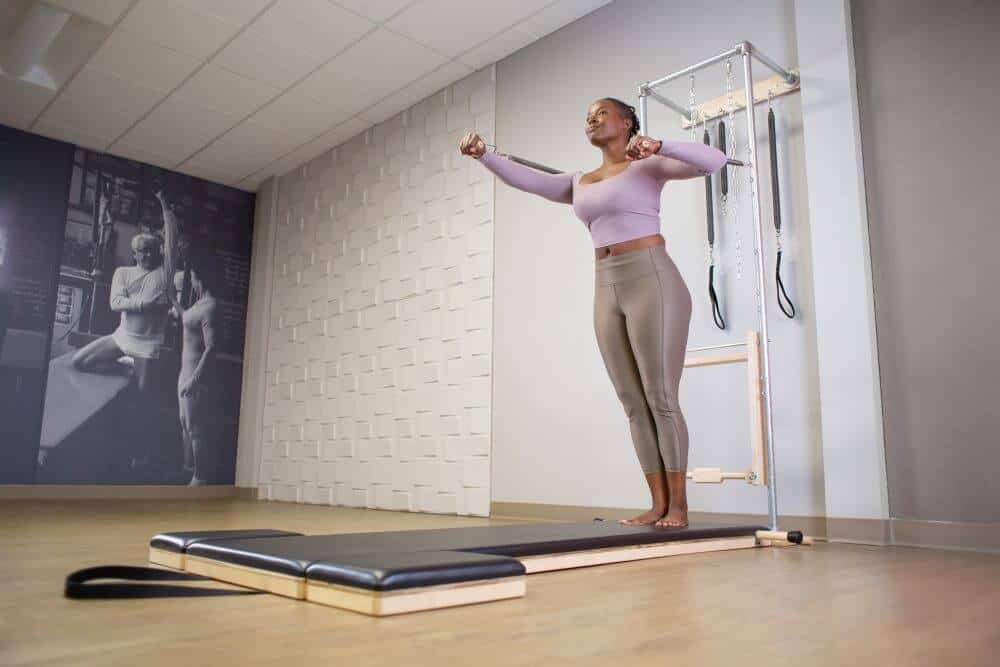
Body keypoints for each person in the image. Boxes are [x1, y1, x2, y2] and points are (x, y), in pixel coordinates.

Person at [459, 98, 727, 528]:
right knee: (632, 402)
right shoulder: (580, 181)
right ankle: (656, 504)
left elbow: (714, 160)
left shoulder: (649, 165)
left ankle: (679, 505)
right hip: (606, 284)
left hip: (652, 278)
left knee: (659, 395)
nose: (591, 118)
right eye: (587, 114)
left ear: (626, 123)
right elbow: (528, 181)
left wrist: (660, 146)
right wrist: (484, 156)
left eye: (602, 113)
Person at [157, 191, 218, 486]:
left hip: (194, 375)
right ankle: (186, 468)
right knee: (183, 424)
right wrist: (174, 302)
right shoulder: (195, 305)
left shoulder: (210, 307)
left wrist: (195, 379)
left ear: (200, 276)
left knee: (195, 427)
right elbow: (186, 320)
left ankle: (200, 476)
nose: (190, 278)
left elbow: (212, 347)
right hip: (184, 372)